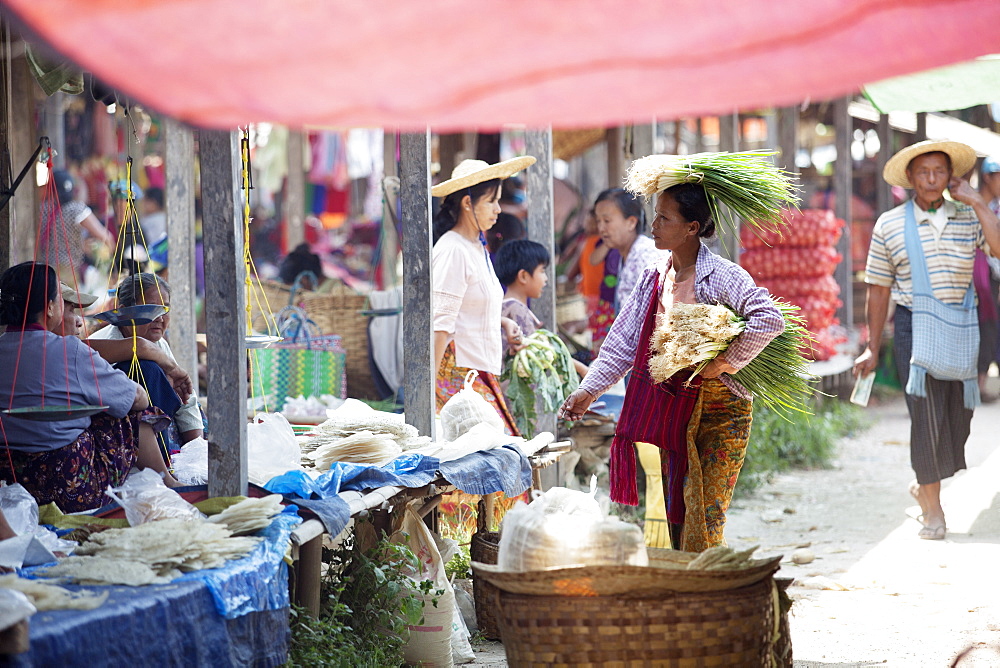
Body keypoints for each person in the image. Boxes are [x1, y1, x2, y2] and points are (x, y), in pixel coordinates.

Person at [559, 180, 784, 552]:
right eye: (656, 216)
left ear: (692, 228)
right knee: (675, 509)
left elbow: (769, 319)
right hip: (673, 410)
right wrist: (588, 390)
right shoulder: (655, 278)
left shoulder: (723, 276)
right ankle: (690, 589)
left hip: (719, 410)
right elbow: (622, 345)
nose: (654, 226)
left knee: (706, 512)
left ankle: (706, 594)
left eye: (664, 218)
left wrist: (726, 362)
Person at [853, 140, 1000, 541]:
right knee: (926, 416)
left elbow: (998, 248)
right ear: (911, 177)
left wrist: (977, 201)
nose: (932, 179)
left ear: (952, 175)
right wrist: (871, 345)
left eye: (939, 171)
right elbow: (879, 288)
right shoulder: (889, 224)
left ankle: (925, 486)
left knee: (958, 417)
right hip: (913, 327)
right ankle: (933, 509)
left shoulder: (969, 216)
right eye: (924, 172)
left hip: (961, 326)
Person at [0, 262, 178, 513]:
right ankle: (167, 481)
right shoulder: (70, 350)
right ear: (50, 308)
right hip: (71, 489)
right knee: (134, 412)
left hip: (12, 481)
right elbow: (137, 399)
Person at [431, 156, 535, 434]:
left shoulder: (477, 247)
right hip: (456, 373)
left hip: (477, 369)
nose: (498, 209)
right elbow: (440, 324)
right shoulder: (453, 249)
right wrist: (427, 395)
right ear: (468, 204)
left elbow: (470, 305)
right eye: (491, 201)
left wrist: (503, 322)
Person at [88, 273, 204, 451]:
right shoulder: (104, 344)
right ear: (124, 310)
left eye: (164, 309)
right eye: (150, 309)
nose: (159, 318)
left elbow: (186, 400)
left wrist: (196, 452)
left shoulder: (158, 343)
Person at [495, 239, 589, 376]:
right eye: (542, 271)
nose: (545, 278)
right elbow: (542, 353)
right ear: (523, 276)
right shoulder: (517, 310)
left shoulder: (505, 306)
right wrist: (582, 369)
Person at [590, 187, 662, 350]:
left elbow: (654, 318)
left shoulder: (646, 256)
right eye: (598, 221)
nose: (601, 228)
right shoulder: (627, 255)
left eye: (607, 221)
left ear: (631, 222)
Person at [39, 169, 115, 283]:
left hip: (44, 270)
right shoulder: (77, 210)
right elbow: (106, 237)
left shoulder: (42, 209)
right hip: (67, 271)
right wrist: (109, 266)